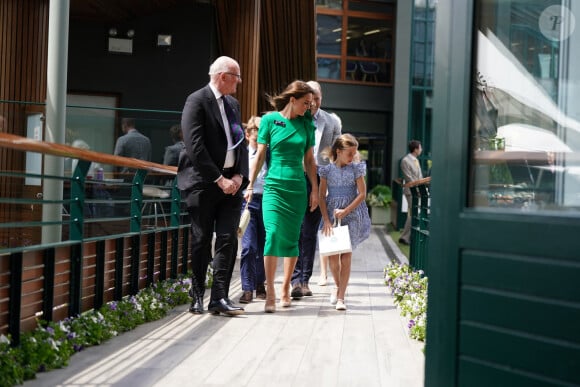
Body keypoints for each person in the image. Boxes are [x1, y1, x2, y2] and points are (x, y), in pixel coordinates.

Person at [177, 56, 248, 316]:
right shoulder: (196, 101)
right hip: (203, 184)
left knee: (228, 239)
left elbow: (241, 142)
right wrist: (219, 179)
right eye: (237, 76)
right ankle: (196, 296)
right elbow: (195, 146)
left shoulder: (233, 104)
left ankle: (219, 297)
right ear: (223, 76)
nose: (239, 82)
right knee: (201, 239)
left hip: (232, 185)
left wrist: (240, 176)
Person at [244, 80, 318, 313]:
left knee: (292, 239)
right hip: (272, 187)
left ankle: (286, 287)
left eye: (312, 103)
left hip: (297, 188)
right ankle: (271, 292)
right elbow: (260, 155)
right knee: (273, 235)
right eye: (305, 103)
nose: (309, 107)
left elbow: (309, 161)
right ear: (292, 99)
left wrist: (315, 190)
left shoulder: (307, 125)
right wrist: (250, 184)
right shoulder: (269, 120)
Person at [291, 81, 341, 298]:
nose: (313, 104)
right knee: (295, 229)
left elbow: (336, 154)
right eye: (311, 100)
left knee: (309, 231)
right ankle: (294, 280)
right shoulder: (295, 118)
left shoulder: (331, 121)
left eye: (317, 99)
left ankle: (303, 280)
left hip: (319, 178)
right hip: (294, 177)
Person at [318, 134, 371, 311]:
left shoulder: (356, 169)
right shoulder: (326, 171)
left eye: (354, 153)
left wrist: (346, 211)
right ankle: (337, 286)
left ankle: (341, 297)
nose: (353, 157)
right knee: (333, 256)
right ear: (338, 152)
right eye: (349, 153)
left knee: (346, 256)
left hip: (353, 214)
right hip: (332, 216)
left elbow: (362, 194)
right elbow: (320, 196)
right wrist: (326, 219)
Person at [238, 116, 267, 304]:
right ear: (248, 135)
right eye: (255, 137)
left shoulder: (269, 153)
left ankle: (259, 284)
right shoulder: (241, 153)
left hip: (266, 200)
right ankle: (247, 288)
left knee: (264, 246)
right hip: (247, 201)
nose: (258, 141)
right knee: (248, 246)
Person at [399, 140, 423, 245]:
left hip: (417, 191)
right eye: (420, 147)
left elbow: (420, 177)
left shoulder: (416, 160)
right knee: (413, 213)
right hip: (411, 191)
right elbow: (409, 178)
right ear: (416, 149)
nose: (421, 150)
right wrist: (418, 188)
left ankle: (407, 236)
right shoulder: (405, 161)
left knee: (413, 213)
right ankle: (405, 237)